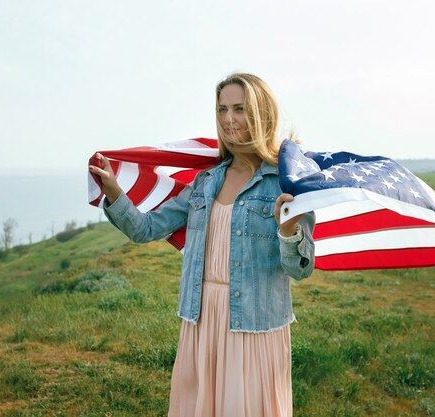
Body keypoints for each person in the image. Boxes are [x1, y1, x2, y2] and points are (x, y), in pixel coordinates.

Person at [89, 73, 315, 417]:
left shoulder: (287, 180)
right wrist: (114, 192)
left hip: (253, 325)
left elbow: (300, 269)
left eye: (239, 108)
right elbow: (145, 229)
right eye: (222, 109)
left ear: (261, 113)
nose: (228, 119)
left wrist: (287, 230)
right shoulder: (206, 181)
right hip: (201, 320)